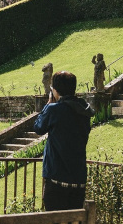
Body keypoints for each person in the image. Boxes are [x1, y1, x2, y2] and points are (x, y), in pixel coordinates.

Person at [34, 71, 95, 212]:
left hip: (56, 178)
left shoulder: (54, 109)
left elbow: (38, 127)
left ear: (55, 90)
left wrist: (48, 104)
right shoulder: (84, 110)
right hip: (78, 179)